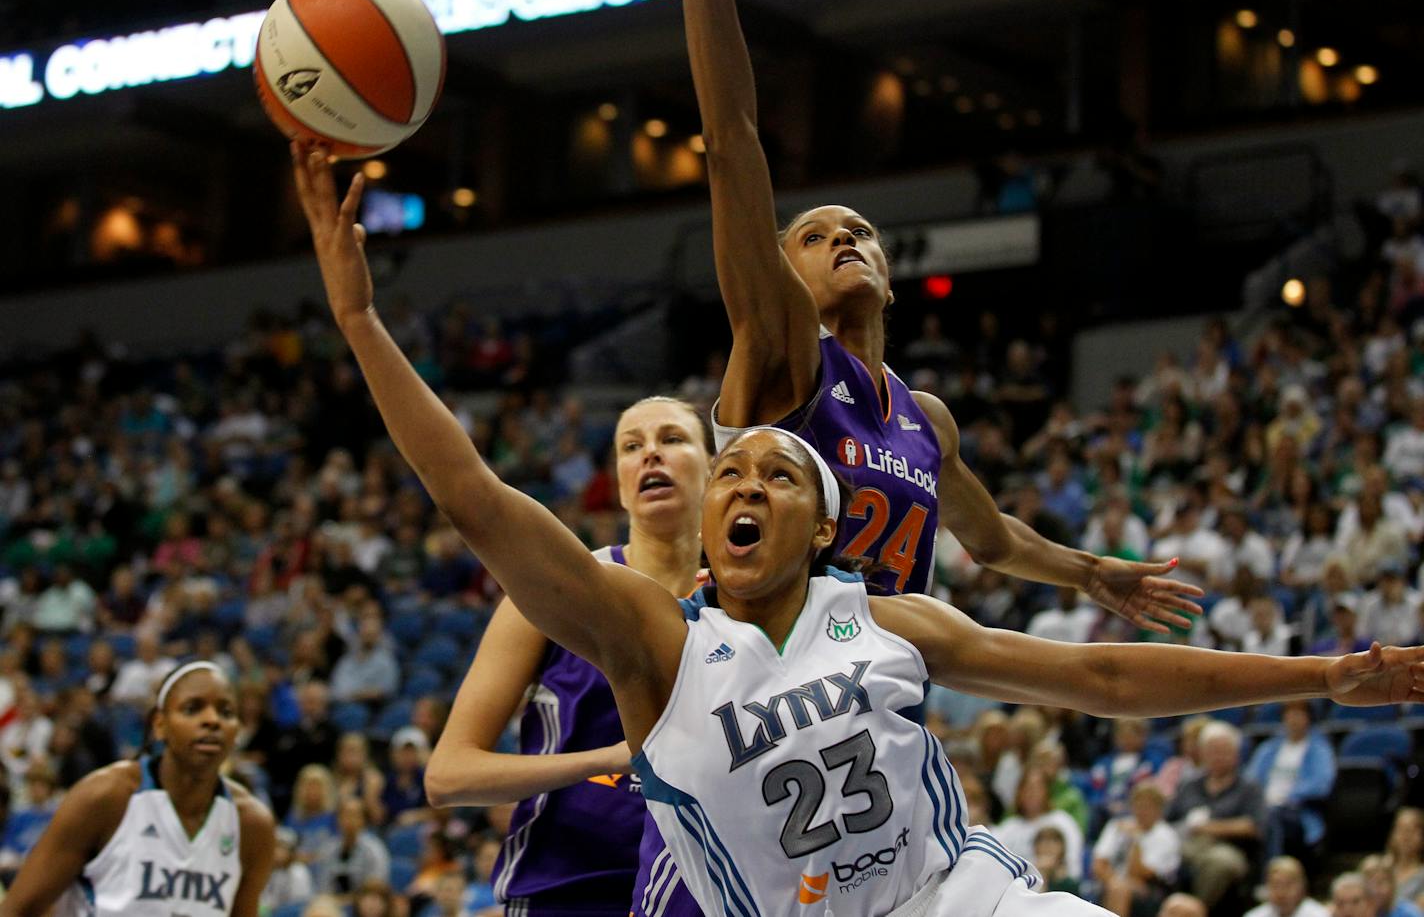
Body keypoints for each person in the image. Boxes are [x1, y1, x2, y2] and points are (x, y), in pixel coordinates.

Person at [293, 145, 1424, 917]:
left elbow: (1095, 667)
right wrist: (356, 318)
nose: (735, 476)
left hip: (923, 856)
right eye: (718, 462)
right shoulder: (669, 628)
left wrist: (1314, 670)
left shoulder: (896, 562)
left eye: (767, 469)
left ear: (815, 515)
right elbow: (475, 496)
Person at [642, 0, 1201, 623]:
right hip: (769, 685)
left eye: (862, 233)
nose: (848, 241)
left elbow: (994, 540)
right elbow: (730, 137)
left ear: (893, 278)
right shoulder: (785, 350)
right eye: (818, 235)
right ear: (781, 272)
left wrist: (1089, 573)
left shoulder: (924, 417)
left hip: (875, 695)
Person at [423, 394, 710, 917]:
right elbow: (448, 774)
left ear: (714, 470)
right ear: (620, 485)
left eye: (671, 439)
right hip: (569, 888)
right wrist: (612, 758)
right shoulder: (552, 595)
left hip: (708, 889)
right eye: (631, 446)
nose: (651, 454)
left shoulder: (741, 603)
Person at [0, 661, 275, 916]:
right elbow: (17, 910)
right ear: (159, 724)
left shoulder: (252, 825)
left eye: (226, 712)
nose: (212, 720)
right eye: (192, 708)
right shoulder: (105, 797)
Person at [1165, 721, 1265, 911]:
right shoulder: (1189, 785)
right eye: (1212, 751)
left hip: (1230, 849)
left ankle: (1195, 911)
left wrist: (1208, 827)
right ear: (1202, 754)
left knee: (1218, 862)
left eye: (1223, 751)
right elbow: (1167, 822)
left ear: (1236, 754)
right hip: (1188, 844)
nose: (1217, 757)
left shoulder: (1249, 788)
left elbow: (1253, 826)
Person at [1243, 700, 1335, 861]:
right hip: (1262, 808)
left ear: (1308, 718)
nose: (1293, 719)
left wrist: (1288, 797)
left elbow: (1321, 784)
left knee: (1273, 816)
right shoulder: (1268, 749)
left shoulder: (1319, 749)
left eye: (1299, 714)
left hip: (1296, 813)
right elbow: (1250, 780)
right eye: (1290, 714)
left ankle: (1271, 868)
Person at [1091, 783, 1180, 917]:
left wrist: (1136, 840)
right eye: (1138, 805)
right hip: (1113, 882)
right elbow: (1098, 865)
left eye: (1148, 807)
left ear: (1159, 810)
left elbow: (1141, 873)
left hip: (1152, 890)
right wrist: (1113, 880)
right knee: (1117, 888)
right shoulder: (1117, 826)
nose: (1142, 811)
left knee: (1120, 889)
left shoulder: (1166, 835)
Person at [1243, 857, 1328, 917]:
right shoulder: (1255, 915)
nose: (1281, 892)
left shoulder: (1319, 914)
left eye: (1288, 885)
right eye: (1275, 885)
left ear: (1302, 887)